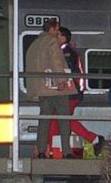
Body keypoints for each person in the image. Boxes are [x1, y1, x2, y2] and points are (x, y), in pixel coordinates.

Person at [46, 27, 105, 157]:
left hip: (70, 93)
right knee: (56, 120)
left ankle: (94, 138)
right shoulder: (67, 52)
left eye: (58, 35)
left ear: (63, 38)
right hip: (70, 92)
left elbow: (62, 73)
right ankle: (50, 151)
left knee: (61, 118)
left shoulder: (65, 53)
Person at [24, 19, 74, 158]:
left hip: (42, 88)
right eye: (57, 29)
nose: (58, 31)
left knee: (44, 120)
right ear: (52, 29)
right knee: (64, 120)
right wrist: (62, 80)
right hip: (55, 88)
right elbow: (56, 62)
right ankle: (66, 151)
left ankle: (41, 151)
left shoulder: (34, 44)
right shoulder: (52, 42)